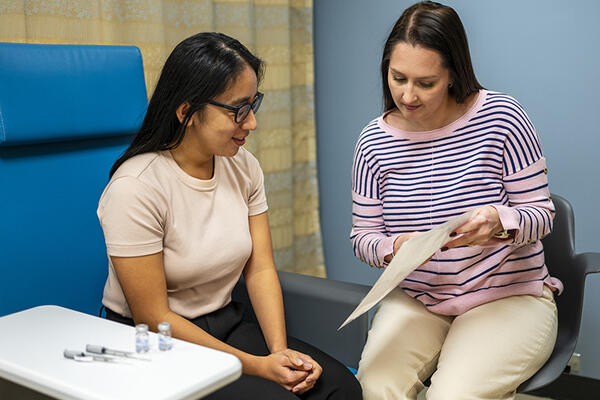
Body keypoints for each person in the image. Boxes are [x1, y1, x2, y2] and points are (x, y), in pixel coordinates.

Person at [97, 32, 362, 400]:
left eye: (254, 105)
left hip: (226, 322)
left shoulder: (243, 167)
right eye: (238, 110)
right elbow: (153, 317)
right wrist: (257, 367)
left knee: (341, 389)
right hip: (155, 343)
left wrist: (279, 352)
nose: (251, 123)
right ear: (187, 111)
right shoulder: (135, 187)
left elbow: (261, 269)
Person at [350, 2, 561, 399]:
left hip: (506, 294)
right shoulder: (373, 142)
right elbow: (363, 236)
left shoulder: (502, 117)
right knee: (375, 387)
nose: (407, 95)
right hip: (420, 298)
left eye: (425, 83)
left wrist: (499, 220)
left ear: (452, 75)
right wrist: (394, 247)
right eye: (398, 78)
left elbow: (542, 215)